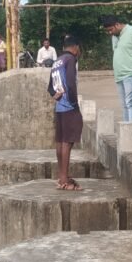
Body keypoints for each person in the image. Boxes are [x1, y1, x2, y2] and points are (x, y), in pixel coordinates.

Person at [49, 35, 84, 191]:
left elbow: (50, 87)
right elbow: (70, 82)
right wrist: (74, 102)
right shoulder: (70, 59)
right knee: (67, 142)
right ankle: (64, 180)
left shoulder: (57, 61)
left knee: (60, 140)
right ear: (75, 47)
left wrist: (55, 95)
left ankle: (61, 176)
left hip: (59, 107)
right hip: (69, 106)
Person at [102, 14, 132, 123]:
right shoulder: (114, 36)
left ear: (117, 24)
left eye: (111, 29)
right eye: (108, 31)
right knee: (124, 104)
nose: (110, 32)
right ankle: (126, 129)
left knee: (130, 102)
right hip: (119, 75)